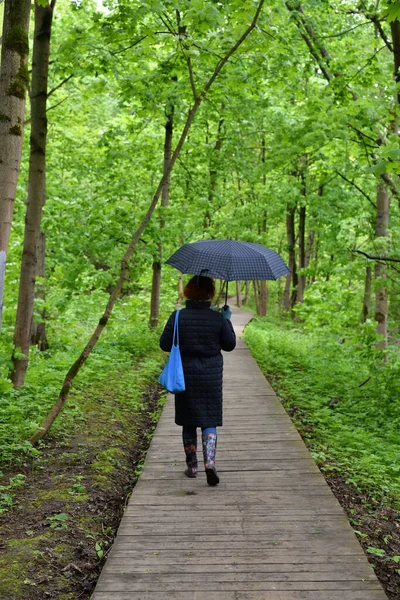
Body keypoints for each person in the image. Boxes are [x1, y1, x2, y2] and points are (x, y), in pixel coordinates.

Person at [160, 276, 236, 486]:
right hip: (211, 376)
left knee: (188, 420)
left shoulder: (177, 317)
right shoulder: (218, 318)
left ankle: (192, 466)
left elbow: (165, 344)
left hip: (184, 374)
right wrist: (226, 319)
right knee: (208, 420)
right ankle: (209, 463)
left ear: (188, 292)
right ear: (210, 294)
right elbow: (229, 345)